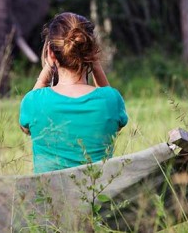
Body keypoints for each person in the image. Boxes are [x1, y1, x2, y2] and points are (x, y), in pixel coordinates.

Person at [19, 12, 128, 173]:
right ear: (92, 52)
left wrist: (44, 75)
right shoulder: (111, 100)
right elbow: (109, 100)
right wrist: (96, 65)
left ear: (51, 53)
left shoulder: (33, 101)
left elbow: (25, 128)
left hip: (51, 196)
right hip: (98, 196)